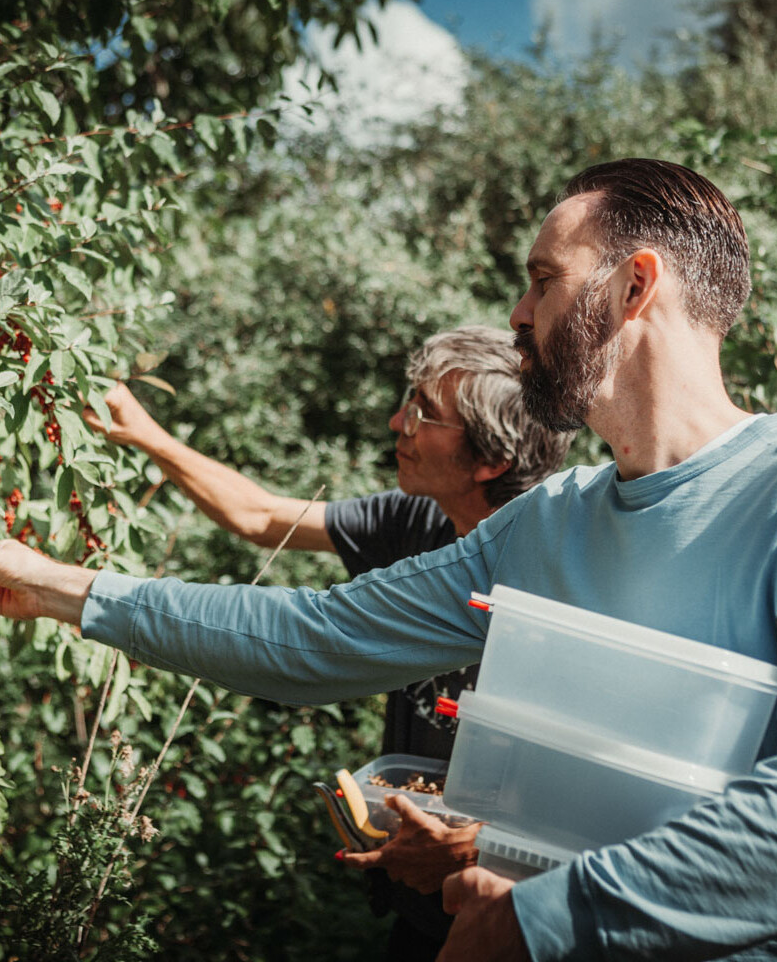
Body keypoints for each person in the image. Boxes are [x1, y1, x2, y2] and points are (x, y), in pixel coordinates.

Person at [0, 159, 777, 962]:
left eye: (540, 279)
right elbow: (315, 637)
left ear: (633, 287)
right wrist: (65, 590)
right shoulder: (550, 522)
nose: (518, 315)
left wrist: (545, 917)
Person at [81, 326, 574, 960]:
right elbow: (260, 517)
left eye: (423, 413)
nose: (399, 421)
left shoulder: (553, 578)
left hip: (507, 918)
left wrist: (474, 841)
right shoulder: (417, 519)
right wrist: (145, 434)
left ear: (490, 461)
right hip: (414, 903)